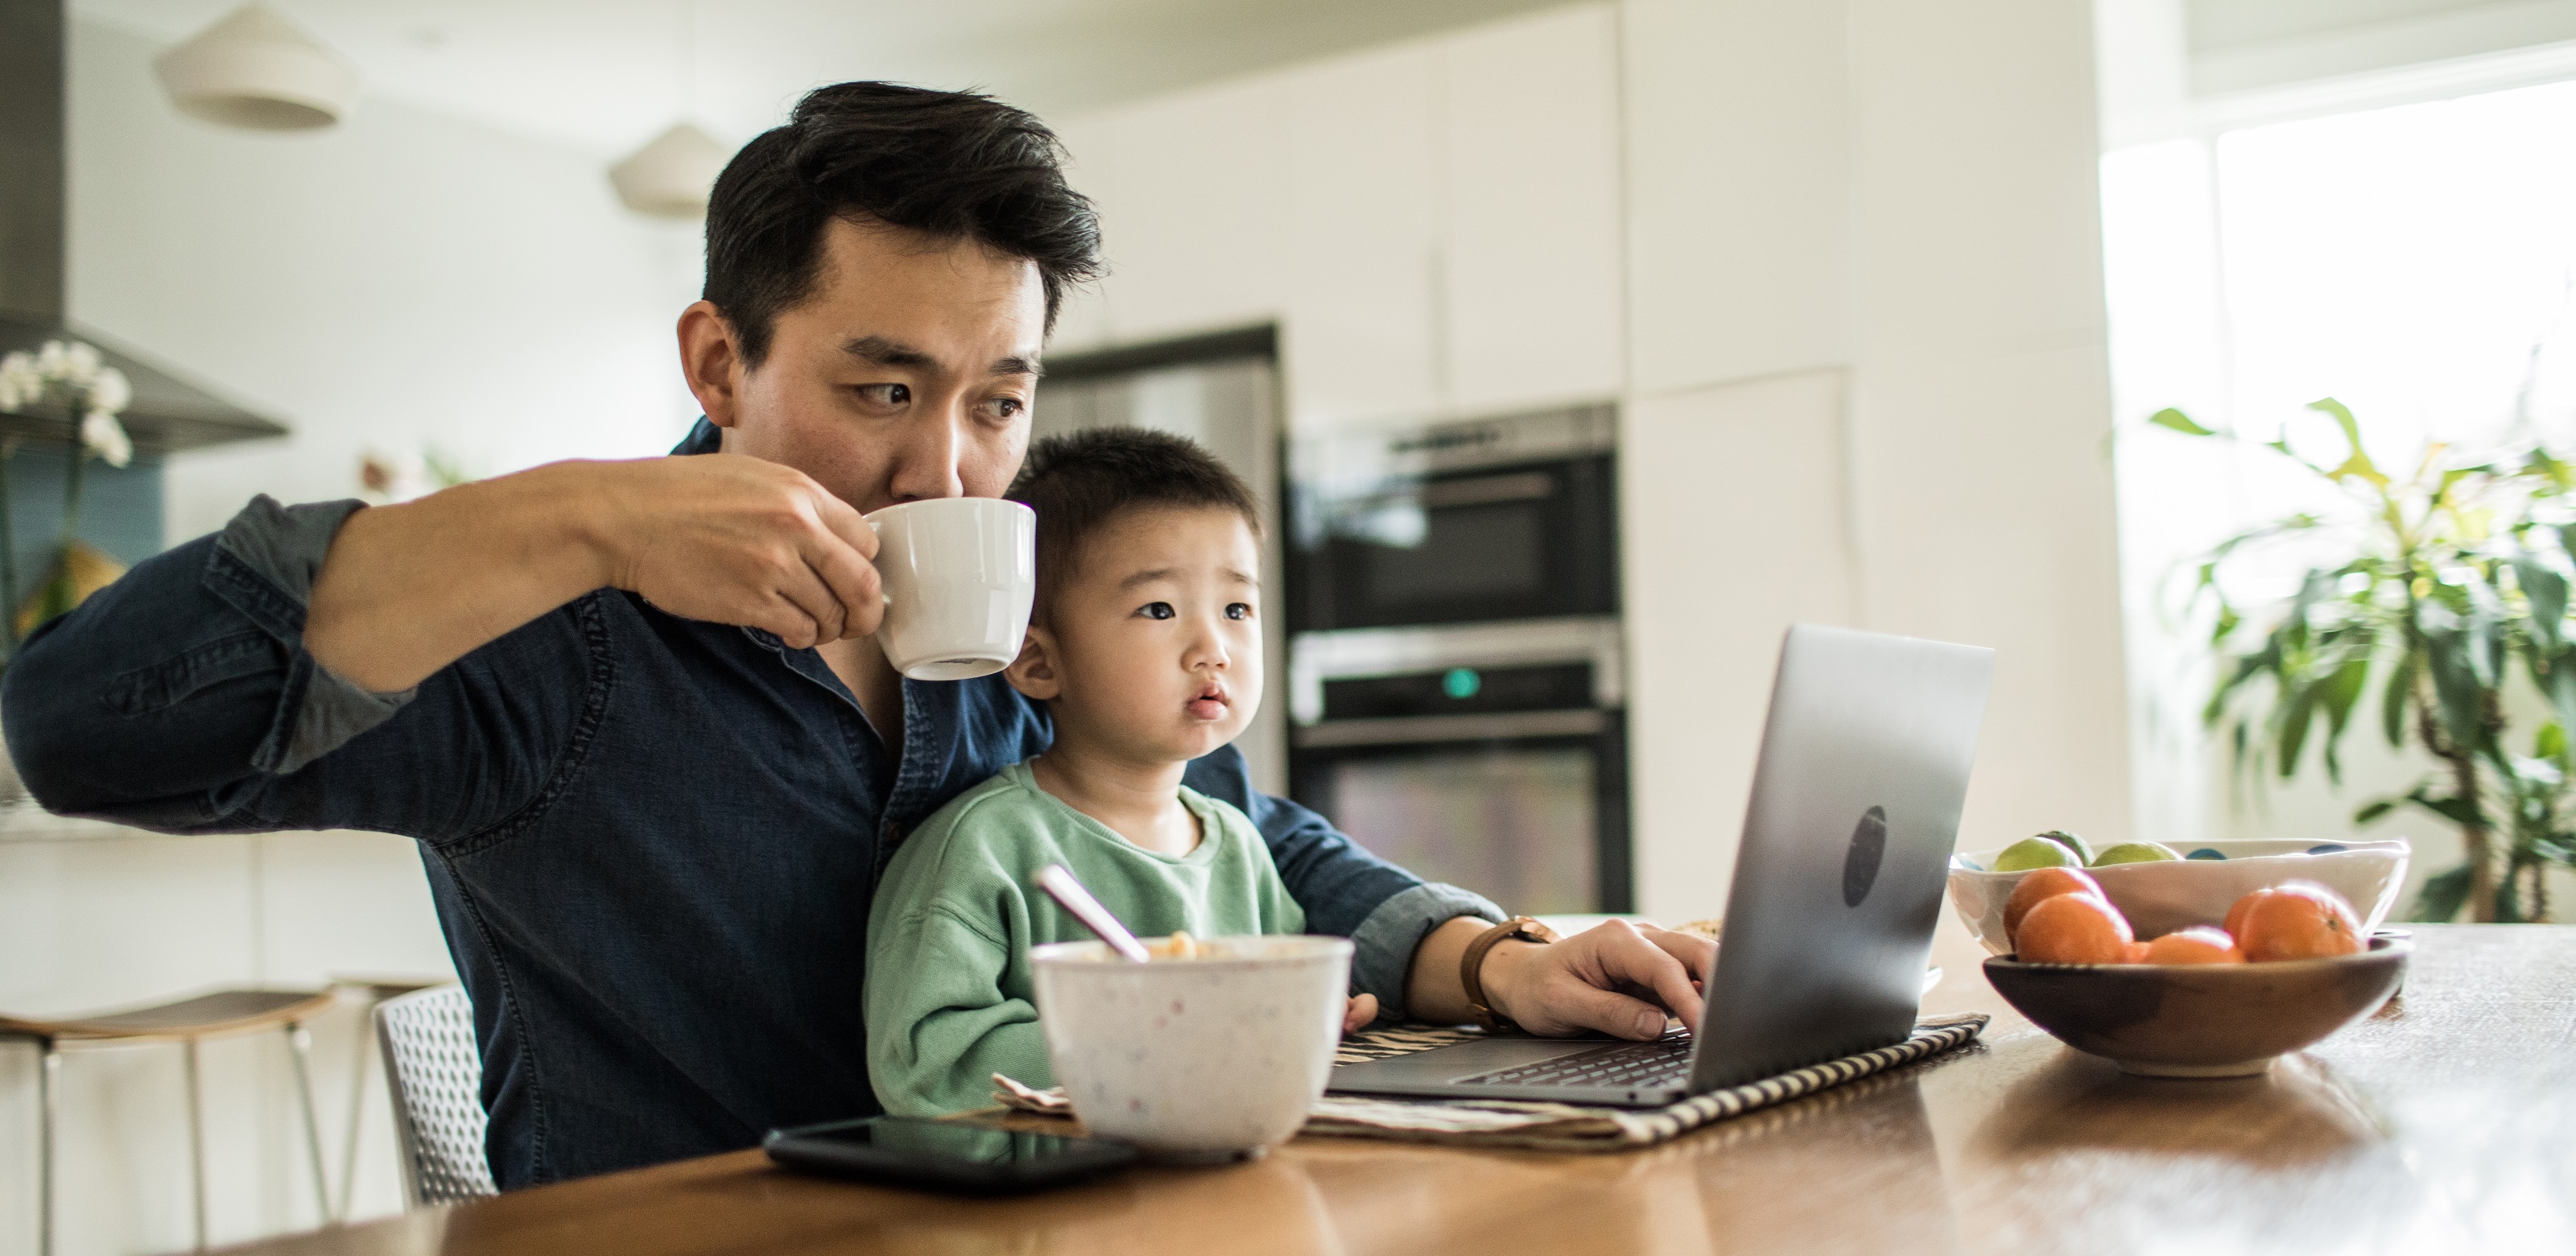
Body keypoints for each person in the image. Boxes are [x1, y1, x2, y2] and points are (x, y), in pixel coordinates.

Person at [0, 81, 1712, 1192]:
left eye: (998, 402)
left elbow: (1236, 837)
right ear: (718, 364)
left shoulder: (1029, 619)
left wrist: (1492, 961)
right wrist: (587, 516)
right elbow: (77, 727)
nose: (940, 467)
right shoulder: (554, 639)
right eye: (881, 389)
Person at [867, 428, 1373, 1116]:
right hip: (1046, 1208)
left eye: (1237, 609)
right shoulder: (984, 849)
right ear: (1040, 662)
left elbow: (1253, 1021)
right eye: (1159, 609)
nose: (1213, 648)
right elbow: (930, 1068)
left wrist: (1303, 1019)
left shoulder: (1239, 845)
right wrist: (1159, 1043)